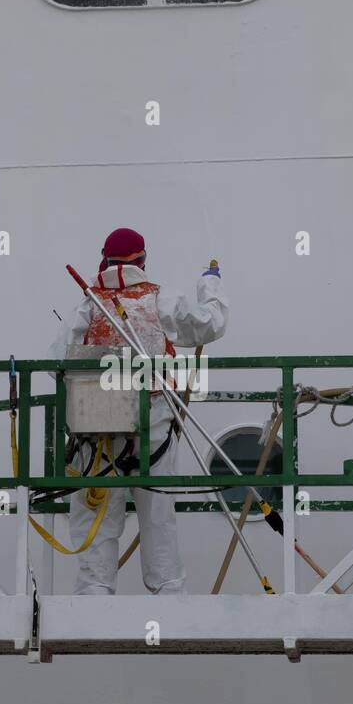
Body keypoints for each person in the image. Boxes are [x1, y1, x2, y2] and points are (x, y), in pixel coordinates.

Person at [50, 227, 228, 595]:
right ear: (142, 260)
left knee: (96, 520)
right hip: (154, 431)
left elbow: (55, 360)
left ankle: (95, 594)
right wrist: (209, 287)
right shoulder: (160, 299)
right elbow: (210, 324)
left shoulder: (86, 306)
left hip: (93, 433)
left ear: (104, 260)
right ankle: (167, 594)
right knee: (158, 517)